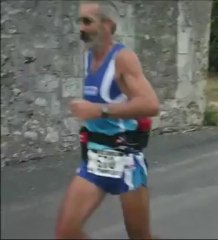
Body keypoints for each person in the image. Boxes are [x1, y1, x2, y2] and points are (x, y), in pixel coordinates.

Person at [55, 0, 160, 238]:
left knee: (140, 236)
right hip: (95, 159)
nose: (81, 28)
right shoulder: (87, 59)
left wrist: (99, 111)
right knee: (66, 232)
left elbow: (150, 104)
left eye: (87, 21)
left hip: (126, 162)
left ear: (108, 25)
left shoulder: (123, 58)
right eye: (79, 21)